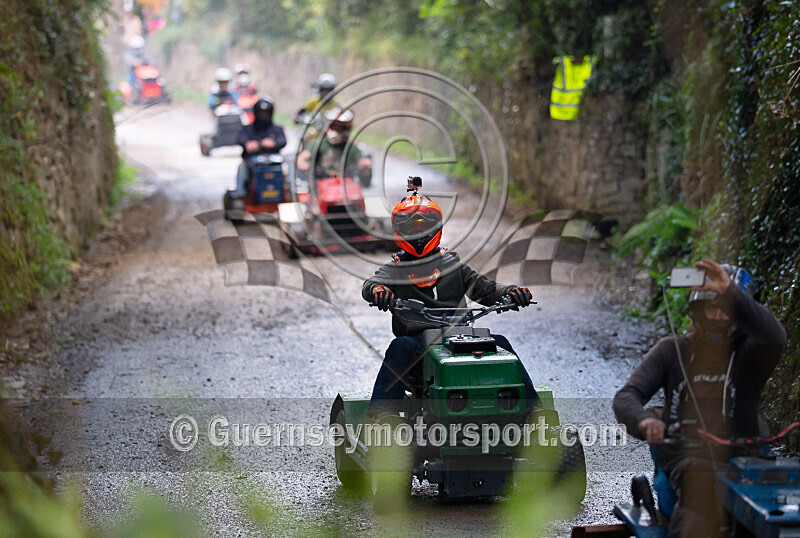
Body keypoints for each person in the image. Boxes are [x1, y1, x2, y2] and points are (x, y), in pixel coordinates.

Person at [613, 259, 786, 537]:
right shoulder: (671, 350)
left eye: (726, 308)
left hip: (746, 459)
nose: (718, 315)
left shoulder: (753, 353)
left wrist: (730, 291)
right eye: (711, 307)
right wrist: (645, 421)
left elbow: (776, 337)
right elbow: (626, 397)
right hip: (687, 458)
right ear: (696, 309)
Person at [362, 183, 539, 417]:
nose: (419, 232)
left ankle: (533, 413)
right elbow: (371, 284)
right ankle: (381, 415)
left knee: (500, 343)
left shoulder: (454, 266)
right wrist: (378, 292)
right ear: (399, 231)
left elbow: (487, 290)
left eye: (424, 226)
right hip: (418, 350)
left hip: (461, 338)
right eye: (411, 227)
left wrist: (512, 292)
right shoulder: (394, 270)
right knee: (400, 346)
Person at [230, 97, 287, 199]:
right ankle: (241, 194)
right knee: (242, 168)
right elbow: (239, 139)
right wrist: (249, 143)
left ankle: (289, 192)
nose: (263, 115)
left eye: (266, 112)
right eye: (261, 112)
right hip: (252, 163)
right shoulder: (248, 129)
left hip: (273, 163)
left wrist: (273, 144)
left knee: (288, 167)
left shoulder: (276, 129)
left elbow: (282, 141)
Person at [296, 108, 371, 180]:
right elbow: (302, 158)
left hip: (344, 183)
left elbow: (362, 160)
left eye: (340, 127)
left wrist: (366, 165)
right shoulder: (318, 144)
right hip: (321, 183)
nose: (336, 130)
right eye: (334, 126)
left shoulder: (350, 147)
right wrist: (307, 167)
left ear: (347, 128)